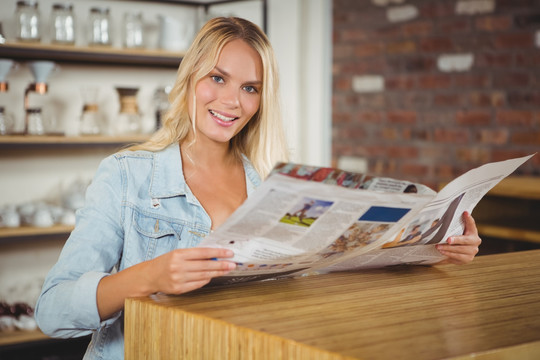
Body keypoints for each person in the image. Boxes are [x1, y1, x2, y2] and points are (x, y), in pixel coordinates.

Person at [35, 16, 482, 360]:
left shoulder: (272, 189)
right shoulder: (125, 175)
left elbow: (328, 273)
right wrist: (148, 277)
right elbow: (52, 310)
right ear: (190, 77)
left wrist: (436, 246)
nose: (232, 101)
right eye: (217, 78)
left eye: (250, 88)